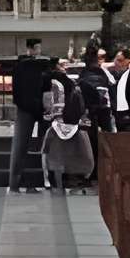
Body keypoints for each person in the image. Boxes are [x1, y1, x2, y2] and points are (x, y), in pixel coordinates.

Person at [42, 59, 94, 192]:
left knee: (53, 152)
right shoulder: (68, 81)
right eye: (61, 64)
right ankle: (75, 178)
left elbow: (47, 103)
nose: (64, 67)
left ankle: (52, 180)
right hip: (71, 120)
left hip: (55, 122)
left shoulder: (49, 80)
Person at [8, 37, 52, 193]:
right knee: (35, 147)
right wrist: (46, 106)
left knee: (21, 146)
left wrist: (21, 103)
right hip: (35, 108)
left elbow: (15, 90)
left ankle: (16, 183)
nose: (39, 51)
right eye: (37, 48)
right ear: (32, 49)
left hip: (26, 108)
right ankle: (31, 183)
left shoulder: (20, 66)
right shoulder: (41, 66)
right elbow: (47, 88)